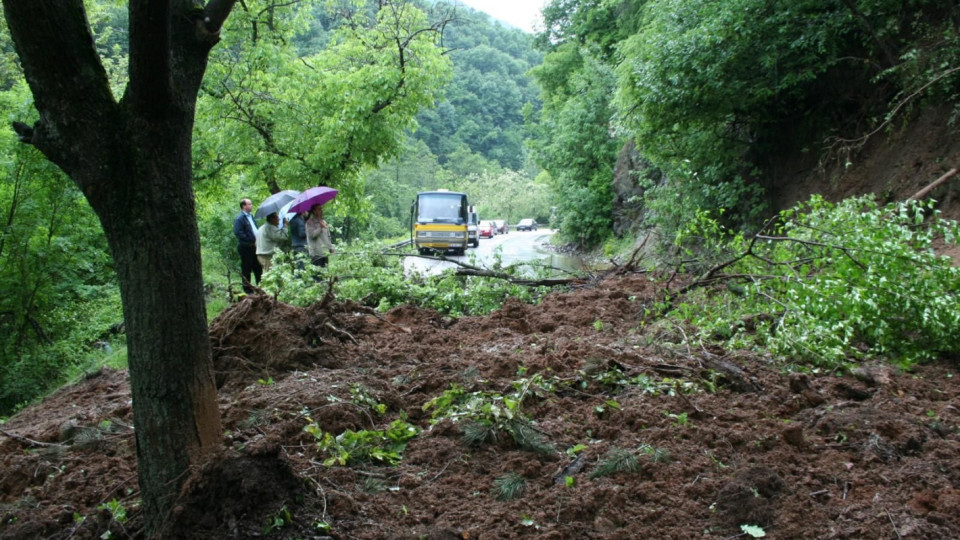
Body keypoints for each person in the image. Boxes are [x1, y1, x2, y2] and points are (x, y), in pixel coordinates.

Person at [233, 198, 261, 293]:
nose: (251, 205)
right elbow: (238, 232)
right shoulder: (240, 218)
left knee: (258, 268)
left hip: (254, 247)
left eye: (251, 204)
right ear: (243, 206)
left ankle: (260, 288)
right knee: (246, 269)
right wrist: (251, 239)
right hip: (246, 247)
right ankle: (248, 291)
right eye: (249, 204)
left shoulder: (250, 216)